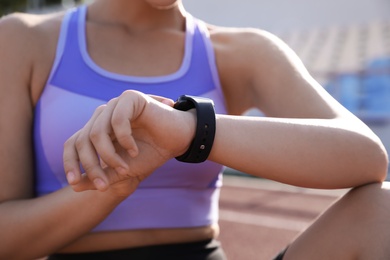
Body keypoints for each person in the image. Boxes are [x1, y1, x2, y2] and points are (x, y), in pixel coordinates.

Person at [1, 0, 390, 259]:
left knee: (382, 210)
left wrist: (190, 129)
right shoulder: (23, 40)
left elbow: (367, 157)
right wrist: (115, 182)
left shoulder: (243, 51)